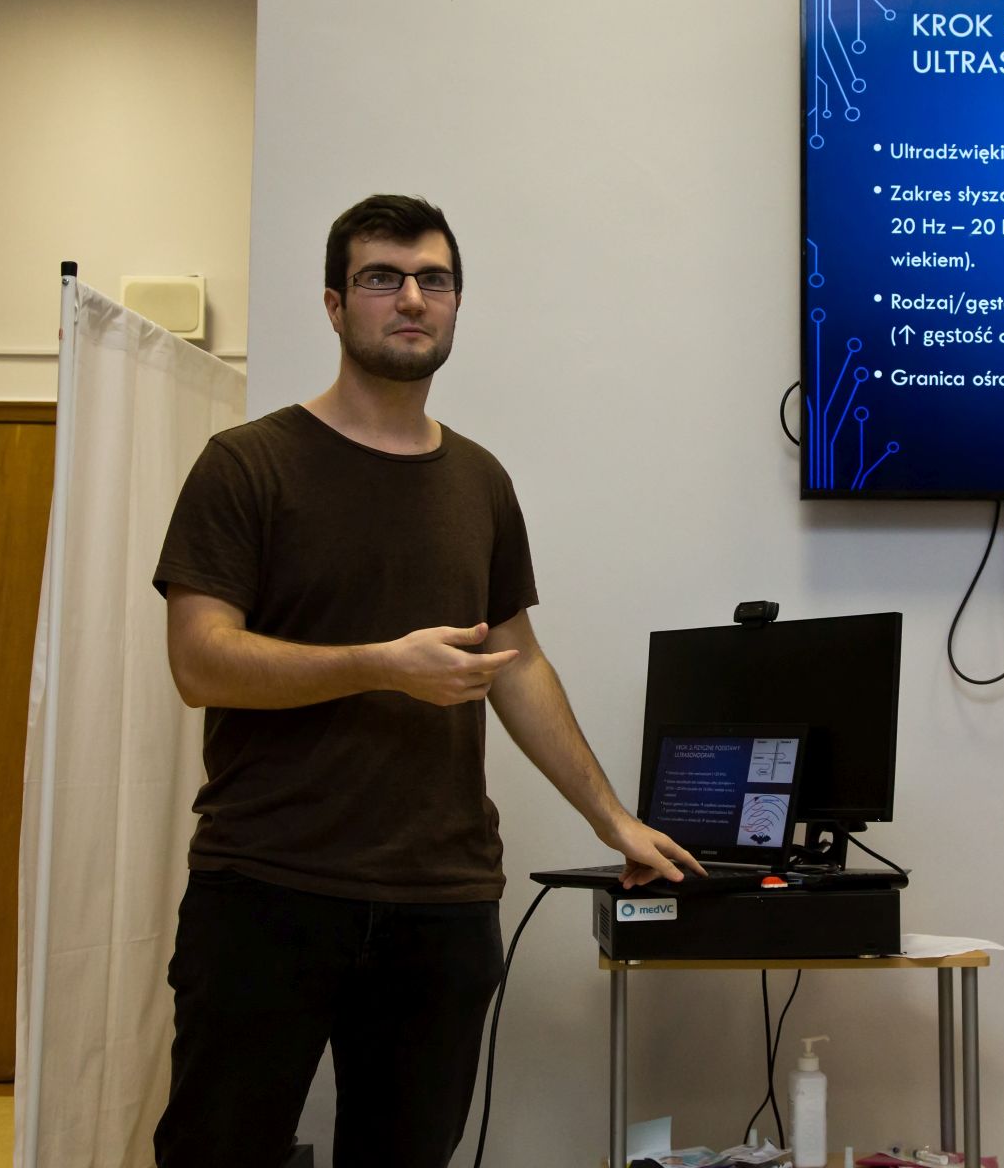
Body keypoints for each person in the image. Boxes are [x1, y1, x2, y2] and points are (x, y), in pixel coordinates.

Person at [149, 194, 701, 1168]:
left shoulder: (479, 480)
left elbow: (518, 662)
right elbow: (200, 661)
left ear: (454, 303)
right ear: (334, 304)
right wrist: (378, 663)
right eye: (382, 278)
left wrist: (610, 817)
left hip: (442, 900)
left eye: (432, 280)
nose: (411, 298)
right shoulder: (247, 464)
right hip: (267, 887)